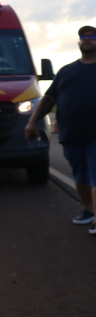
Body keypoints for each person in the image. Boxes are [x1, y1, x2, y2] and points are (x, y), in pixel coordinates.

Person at [25, 25, 96, 231]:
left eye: (92, 36)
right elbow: (49, 98)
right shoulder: (66, 71)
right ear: (79, 42)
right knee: (80, 176)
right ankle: (88, 209)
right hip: (71, 133)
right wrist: (32, 122)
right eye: (84, 36)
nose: (87, 39)